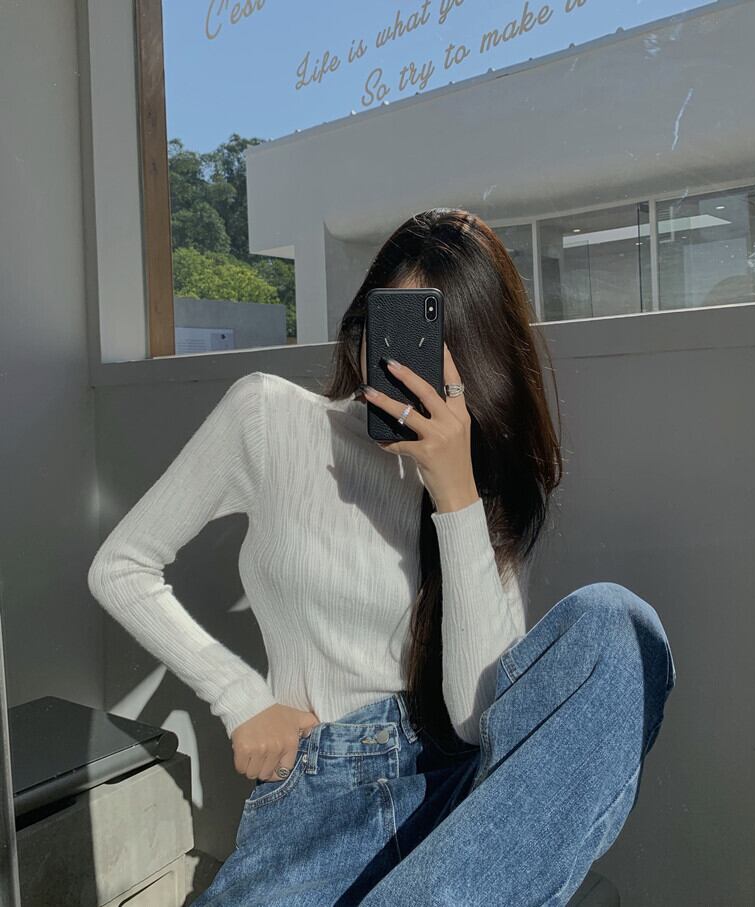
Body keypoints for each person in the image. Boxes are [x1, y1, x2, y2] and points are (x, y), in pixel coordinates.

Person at [87, 208, 676, 906]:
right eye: (395, 325)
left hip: (460, 807)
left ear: (478, 356)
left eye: (434, 340)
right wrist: (239, 698)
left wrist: (455, 492)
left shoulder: (481, 486)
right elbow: (121, 565)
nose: (405, 361)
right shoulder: (269, 418)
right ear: (364, 322)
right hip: (318, 806)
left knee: (617, 622)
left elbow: (476, 718)